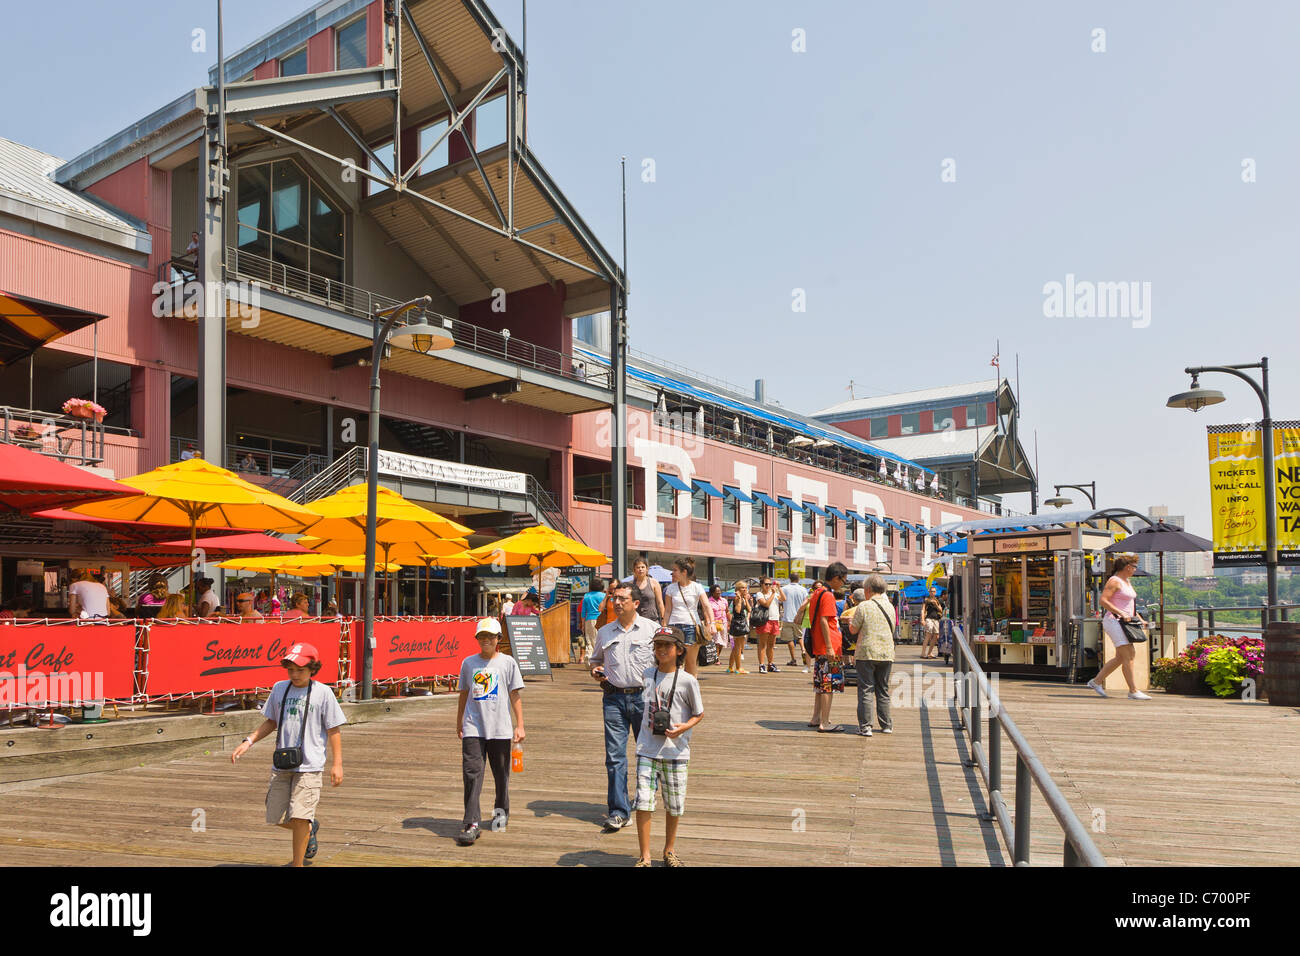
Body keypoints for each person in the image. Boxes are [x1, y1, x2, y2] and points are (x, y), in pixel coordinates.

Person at [230, 642, 346, 867]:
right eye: (290, 669)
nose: (294, 674)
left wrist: (337, 764)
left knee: (300, 816)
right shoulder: (280, 688)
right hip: (283, 763)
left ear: (313, 668)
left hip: (310, 765)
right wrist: (249, 741)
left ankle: (297, 863)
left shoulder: (323, 693)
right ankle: (310, 827)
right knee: (276, 816)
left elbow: (334, 729)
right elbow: (272, 721)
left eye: (300, 670)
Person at [589, 581, 658, 831]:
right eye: (614, 598)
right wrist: (595, 671)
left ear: (636, 603)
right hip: (613, 699)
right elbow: (595, 660)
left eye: (622, 599)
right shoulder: (605, 632)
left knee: (647, 753)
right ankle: (618, 811)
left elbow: (667, 663)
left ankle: (644, 795)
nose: (616, 602)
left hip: (645, 697)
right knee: (615, 757)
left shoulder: (652, 630)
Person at [633, 626, 704, 867]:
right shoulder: (647, 674)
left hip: (676, 750)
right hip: (646, 748)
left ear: (679, 650)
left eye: (667, 645)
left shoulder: (687, 681)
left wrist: (683, 727)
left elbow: (698, 713)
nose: (661, 649)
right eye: (658, 645)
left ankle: (669, 850)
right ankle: (645, 856)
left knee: (674, 804)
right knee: (643, 801)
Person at [455, 618, 525, 846]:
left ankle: (501, 812)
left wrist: (520, 725)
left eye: (490, 636)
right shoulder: (468, 663)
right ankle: (471, 822)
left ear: (498, 640)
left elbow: (515, 694)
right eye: (481, 636)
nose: (486, 640)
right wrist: (459, 722)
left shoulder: (507, 663)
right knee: (472, 773)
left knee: (501, 774)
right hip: (474, 726)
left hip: (501, 728)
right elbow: (464, 693)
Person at [1088, 554, 1152, 700]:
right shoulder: (1114, 581)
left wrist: (1140, 619)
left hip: (1125, 621)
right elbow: (1104, 601)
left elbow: (1129, 604)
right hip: (1114, 621)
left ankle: (1096, 681)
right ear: (1128, 567)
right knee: (1128, 654)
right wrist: (1121, 613)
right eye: (1134, 566)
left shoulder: (1126, 581)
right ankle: (1133, 691)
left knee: (1120, 657)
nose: (1135, 569)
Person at [803, 562, 849, 732]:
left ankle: (816, 717)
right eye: (843, 581)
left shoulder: (817, 592)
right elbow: (824, 620)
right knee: (829, 685)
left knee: (820, 684)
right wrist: (830, 647)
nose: (842, 584)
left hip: (819, 645)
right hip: (829, 646)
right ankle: (825, 721)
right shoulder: (828, 595)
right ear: (836, 578)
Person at [850, 574, 896, 736]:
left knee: (866, 689)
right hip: (887, 652)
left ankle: (866, 727)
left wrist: (850, 622)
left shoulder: (864, 606)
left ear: (868, 590)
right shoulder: (890, 607)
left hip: (867, 652)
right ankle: (886, 725)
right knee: (883, 689)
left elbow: (853, 629)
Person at [663, 557, 714, 676]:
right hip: (674, 627)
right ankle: (675, 686)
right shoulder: (671, 588)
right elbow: (667, 610)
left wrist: (711, 623)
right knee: (674, 661)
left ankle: (690, 689)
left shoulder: (697, 587)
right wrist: (664, 626)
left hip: (691, 627)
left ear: (684, 572)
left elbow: (707, 606)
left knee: (690, 662)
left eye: (675, 570)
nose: (672, 573)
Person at [779, 572, 810, 670]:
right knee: (800, 636)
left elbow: (780, 600)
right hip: (800, 617)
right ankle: (804, 650)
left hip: (788, 617)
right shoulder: (803, 589)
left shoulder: (784, 589)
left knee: (790, 639)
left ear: (789, 579)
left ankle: (793, 659)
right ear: (799, 579)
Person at [752, 577, 783, 673]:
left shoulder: (774, 593)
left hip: (775, 619)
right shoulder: (759, 594)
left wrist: (779, 588)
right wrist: (773, 594)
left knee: (771, 644)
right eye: (766, 584)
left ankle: (770, 664)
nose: (768, 586)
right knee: (762, 644)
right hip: (765, 620)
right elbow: (766, 604)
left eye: (770, 584)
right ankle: (761, 664)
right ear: (761, 585)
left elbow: (784, 599)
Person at [628, 557, 665, 624]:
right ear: (634, 570)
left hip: (652, 620)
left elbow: (660, 603)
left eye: (642, 567)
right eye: (638, 567)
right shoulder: (630, 584)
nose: (640, 569)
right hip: (635, 621)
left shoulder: (654, 583)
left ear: (647, 569)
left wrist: (663, 619)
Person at [726, 582, 752, 674]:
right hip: (737, 623)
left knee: (736, 647)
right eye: (742, 588)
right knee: (738, 647)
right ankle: (738, 668)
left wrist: (745, 598)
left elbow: (749, 609)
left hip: (742, 622)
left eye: (745, 588)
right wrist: (740, 599)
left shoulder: (744, 598)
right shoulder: (737, 598)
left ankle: (730, 667)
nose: (745, 589)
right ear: (738, 589)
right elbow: (737, 610)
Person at [579, 580, 605, 665]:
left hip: (589, 619)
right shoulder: (604, 596)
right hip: (601, 619)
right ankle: (599, 659)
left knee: (589, 640)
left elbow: (583, 611)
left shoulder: (586, 596)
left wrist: (582, 624)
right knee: (600, 640)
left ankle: (589, 656)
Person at [920, 587, 945, 660]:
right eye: (931, 591)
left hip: (936, 619)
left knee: (936, 635)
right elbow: (923, 610)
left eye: (934, 591)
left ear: (936, 592)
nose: (932, 593)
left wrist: (936, 605)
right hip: (929, 619)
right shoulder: (926, 600)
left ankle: (929, 653)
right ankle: (923, 653)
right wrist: (922, 619)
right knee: (928, 634)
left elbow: (940, 610)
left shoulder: (937, 600)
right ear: (929, 592)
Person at [706, 584, 729, 659]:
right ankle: (716, 658)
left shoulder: (724, 600)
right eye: (717, 592)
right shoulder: (709, 602)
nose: (719, 593)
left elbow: (727, 611)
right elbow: (707, 613)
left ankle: (717, 656)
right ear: (712, 593)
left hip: (723, 622)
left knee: (723, 641)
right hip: (714, 622)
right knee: (717, 641)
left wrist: (730, 622)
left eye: (720, 591)